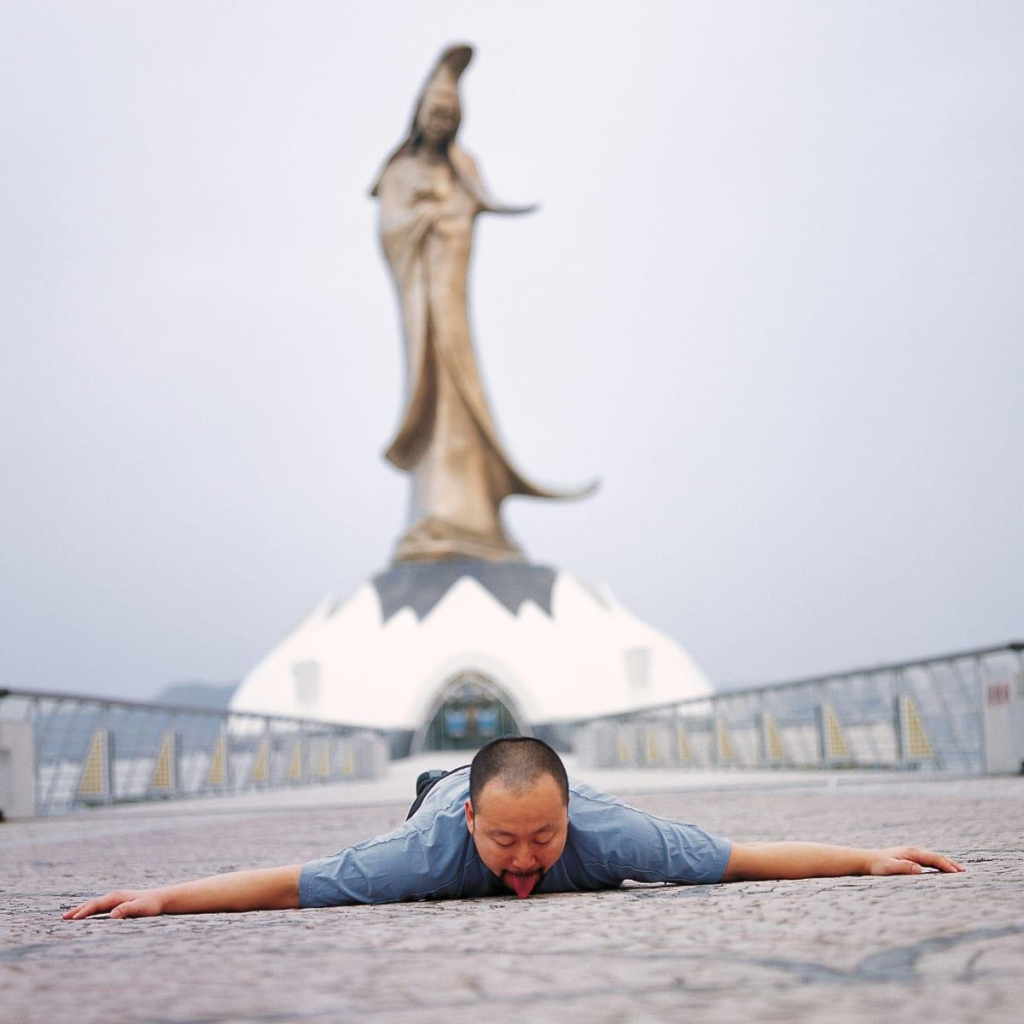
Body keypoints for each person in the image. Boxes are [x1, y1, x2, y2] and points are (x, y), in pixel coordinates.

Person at [63, 737, 964, 920]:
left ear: (570, 816)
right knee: (432, 807)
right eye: (505, 843)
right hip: (440, 794)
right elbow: (292, 882)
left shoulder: (609, 834)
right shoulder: (427, 850)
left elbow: (739, 858)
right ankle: (444, 775)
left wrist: (871, 860)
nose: (528, 860)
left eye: (545, 838)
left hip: (515, 789)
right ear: (472, 825)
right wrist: (159, 899)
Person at [371, 44, 594, 563]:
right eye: (435, 114)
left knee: (463, 389)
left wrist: (448, 219)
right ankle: (437, 508)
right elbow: (392, 231)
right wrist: (423, 220)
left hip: (450, 299)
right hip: (423, 302)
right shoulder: (397, 173)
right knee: (436, 391)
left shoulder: (463, 165)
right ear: (419, 116)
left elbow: (470, 209)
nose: (442, 123)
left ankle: (474, 510)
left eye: (450, 116)